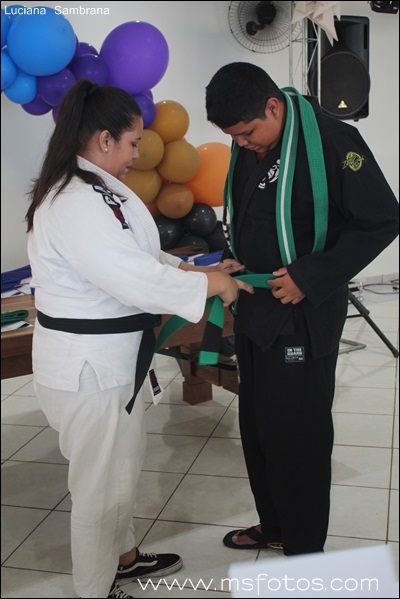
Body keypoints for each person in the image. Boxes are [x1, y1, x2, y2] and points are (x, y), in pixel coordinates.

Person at [25, 79, 254, 599]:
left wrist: (198, 268)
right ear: (103, 139)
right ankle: (94, 589)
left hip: (112, 363)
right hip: (89, 371)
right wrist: (211, 286)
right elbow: (132, 277)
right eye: (132, 142)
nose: (137, 153)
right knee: (99, 488)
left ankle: (123, 559)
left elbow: (142, 255)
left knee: (118, 472)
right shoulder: (73, 201)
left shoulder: (98, 186)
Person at [205, 62, 399, 556]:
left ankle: (304, 549)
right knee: (259, 428)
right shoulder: (251, 144)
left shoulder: (333, 141)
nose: (242, 143)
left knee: (298, 437)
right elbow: (252, 212)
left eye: (247, 133)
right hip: (255, 309)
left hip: (302, 313)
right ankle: (275, 524)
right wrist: (235, 256)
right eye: (235, 137)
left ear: (273, 106)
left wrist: (310, 277)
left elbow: (381, 220)